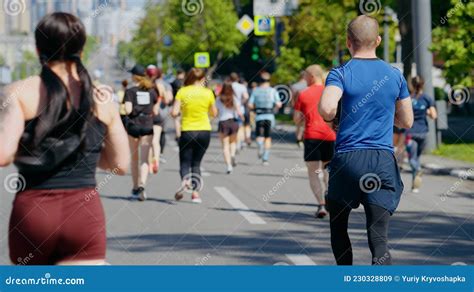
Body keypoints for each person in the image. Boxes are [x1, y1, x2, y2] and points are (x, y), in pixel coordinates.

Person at [0, 12, 130, 265]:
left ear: (38, 49)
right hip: (84, 215)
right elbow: (120, 164)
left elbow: (3, 154)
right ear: (81, 50)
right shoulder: (101, 98)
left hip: (33, 215)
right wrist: (88, 153)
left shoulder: (18, 93)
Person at [319, 15, 413, 265]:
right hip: (381, 161)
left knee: (339, 228)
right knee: (379, 236)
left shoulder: (340, 73)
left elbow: (327, 109)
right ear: (378, 40)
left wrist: (340, 113)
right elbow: (407, 122)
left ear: (349, 42)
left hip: (348, 160)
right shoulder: (394, 75)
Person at [293, 65, 335, 219]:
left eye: (305, 76)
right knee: (328, 170)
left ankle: (321, 204)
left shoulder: (303, 94)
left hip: (312, 136)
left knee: (313, 172)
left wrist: (304, 118)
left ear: (311, 76)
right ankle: (330, 194)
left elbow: (297, 119)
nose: (304, 79)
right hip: (330, 136)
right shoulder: (329, 92)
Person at [171, 68, 217, 203]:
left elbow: (174, 112)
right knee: (196, 163)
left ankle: (185, 181)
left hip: (187, 131)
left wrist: (179, 112)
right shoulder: (208, 93)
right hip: (204, 131)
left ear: (189, 78)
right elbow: (214, 113)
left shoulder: (182, 92)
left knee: (185, 162)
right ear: (203, 79)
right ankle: (195, 194)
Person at [124, 65, 159, 201]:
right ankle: (143, 184)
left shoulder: (130, 91)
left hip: (133, 126)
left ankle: (135, 187)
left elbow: (127, 110)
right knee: (144, 160)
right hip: (147, 126)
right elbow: (155, 109)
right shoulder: (151, 91)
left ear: (133, 76)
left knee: (134, 159)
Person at [406, 76, 437, 193]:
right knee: (417, 158)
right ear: (423, 85)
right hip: (423, 133)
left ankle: (418, 170)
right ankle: (415, 186)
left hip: (410, 133)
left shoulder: (408, 98)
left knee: (412, 160)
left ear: (412, 85)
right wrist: (426, 111)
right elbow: (434, 116)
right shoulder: (427, 99)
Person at [248, 72, 282, 165]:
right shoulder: (273, 91)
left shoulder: (255, 90)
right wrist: (275, 109)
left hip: (259, 116)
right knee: (268, 137)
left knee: (259, 135)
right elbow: (279, 104)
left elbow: (250, 104)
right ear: (269, 80)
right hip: (269, 116)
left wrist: (254, 108)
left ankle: (260, 147)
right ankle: (265, 158)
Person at [146, 65, 172, 173]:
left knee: (148, 141)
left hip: (147, 114)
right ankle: (156, 159)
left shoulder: (145, 84)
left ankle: (149, 163)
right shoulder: (165, 85)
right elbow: (168, 100)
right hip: (161, 115)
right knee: (157, 139)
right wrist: (161, 95)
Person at [217, 80, 243, 174]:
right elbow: (239, 112)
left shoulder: (219, 99)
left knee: (225, 146)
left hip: (223, 122)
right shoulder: (234, 98)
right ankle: (232, 155)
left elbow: (216, 112)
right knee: (233, 143)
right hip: (233, 122)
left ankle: (228, 166)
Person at [230, 72, 249, 151]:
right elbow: (246, 97)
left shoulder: (228, 86)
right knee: (240, 127)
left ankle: (233, 143)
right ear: (237, 78)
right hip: (240, 109)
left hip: (229, 110)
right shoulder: (242, 87)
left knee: (232, 128)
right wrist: (241, 102)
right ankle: (239, 143)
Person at [291, 71, 308, 147]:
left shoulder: (294, 86)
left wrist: (293, 106)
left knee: (298, 124)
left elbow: (292, 98)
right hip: (307, 107)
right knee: (305, 124)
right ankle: (302, 138)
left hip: (297, 107)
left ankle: (298, 138)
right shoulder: (308, 85)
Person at [171, 69, 185, 143]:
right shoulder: (186, 82)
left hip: (177, 102)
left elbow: (172, 92)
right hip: (186, 102)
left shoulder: (174, 82)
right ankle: (182, 132)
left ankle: (178, 135)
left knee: (177, 119)